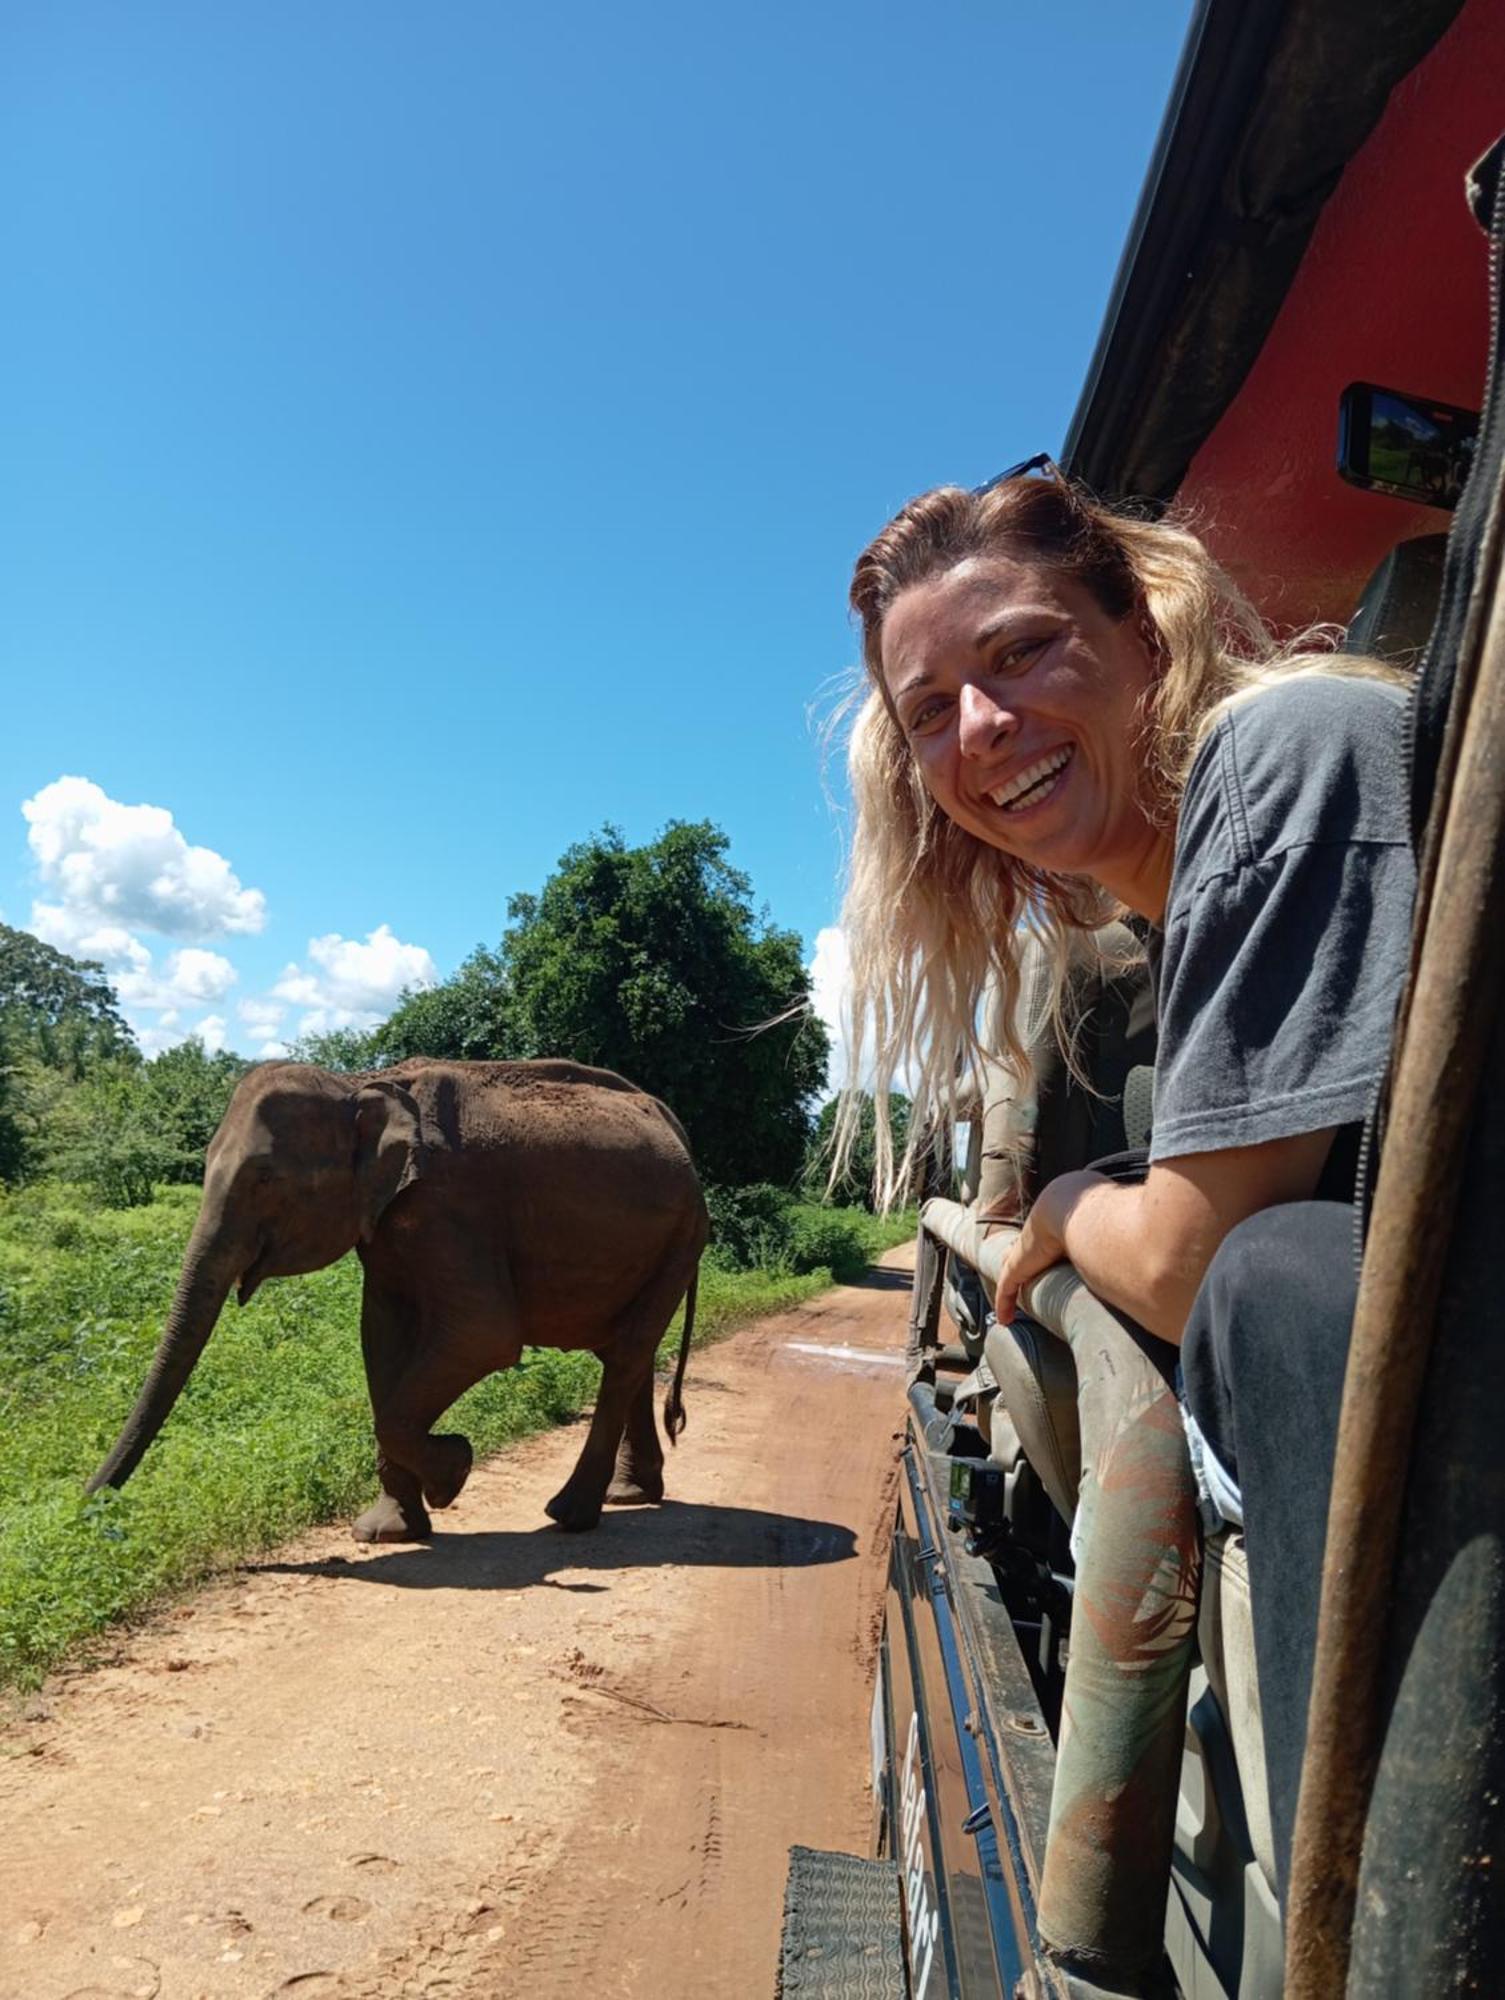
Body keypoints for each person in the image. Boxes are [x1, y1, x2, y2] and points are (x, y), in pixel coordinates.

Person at [834, 470, 1415, 1902]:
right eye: (928, 710)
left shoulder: (1292, 745)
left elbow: (1193, 1260)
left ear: (1146, 630)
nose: (980, 729)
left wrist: (1057, 1209)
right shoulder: (1172, 894)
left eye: (1022, 650)